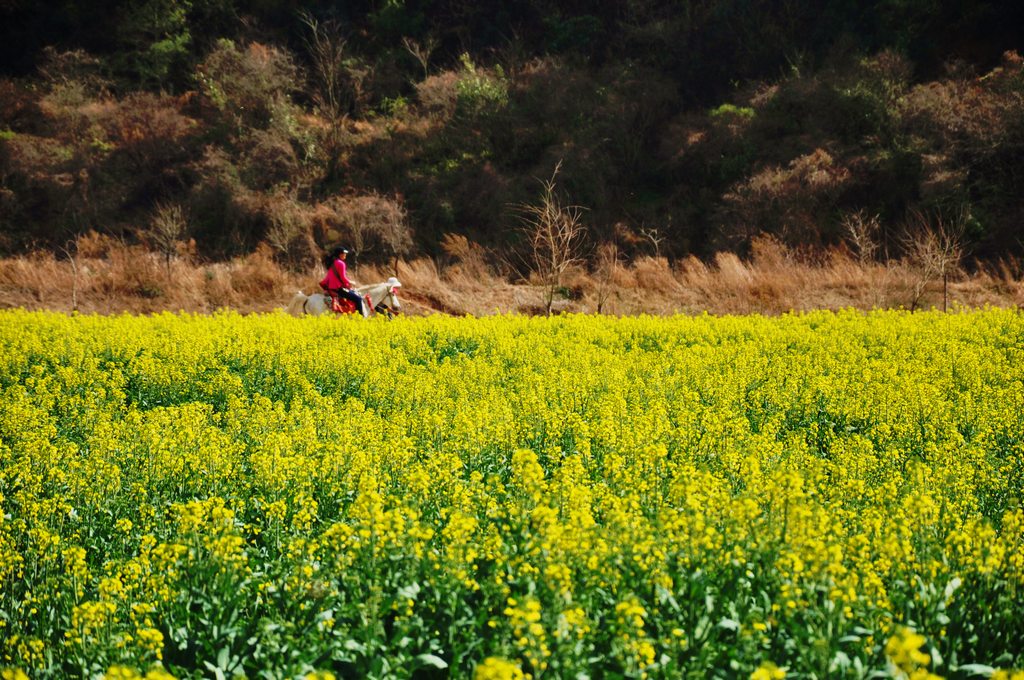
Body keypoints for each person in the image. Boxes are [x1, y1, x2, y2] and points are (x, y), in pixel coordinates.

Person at [319, 247, 367, 316]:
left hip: (330, 287)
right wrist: (350, 282)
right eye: (344, 253)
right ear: (339, 254)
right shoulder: (341, 263)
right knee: (358, 299)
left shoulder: (333, 262)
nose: (345, 255)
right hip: (337, 288)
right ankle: (360, 317)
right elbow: (343, 278)